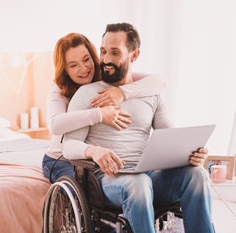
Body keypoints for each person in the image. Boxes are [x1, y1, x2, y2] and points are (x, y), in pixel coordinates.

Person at [62, 23, 213, 233]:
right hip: (108, 180)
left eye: (115, 53)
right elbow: (68, 145)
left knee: (197, 175)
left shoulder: (150, 93)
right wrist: (93, 151)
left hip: (149, 174)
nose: (105, 60)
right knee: (139, 183)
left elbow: (169, 134)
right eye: (103, 51)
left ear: (134, 55)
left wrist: (191, 153)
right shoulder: (87, 93)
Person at [42, 32, 167, 184]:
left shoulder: (105, 77)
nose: (83, 69)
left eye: (86, 59)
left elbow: (159, 82)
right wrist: (99, 114)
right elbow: (55, 125)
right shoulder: (58, 92)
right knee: (79, 189)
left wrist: (122, 92)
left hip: (90, 160)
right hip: (60, 159)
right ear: (65, 69)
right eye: (73, 65)